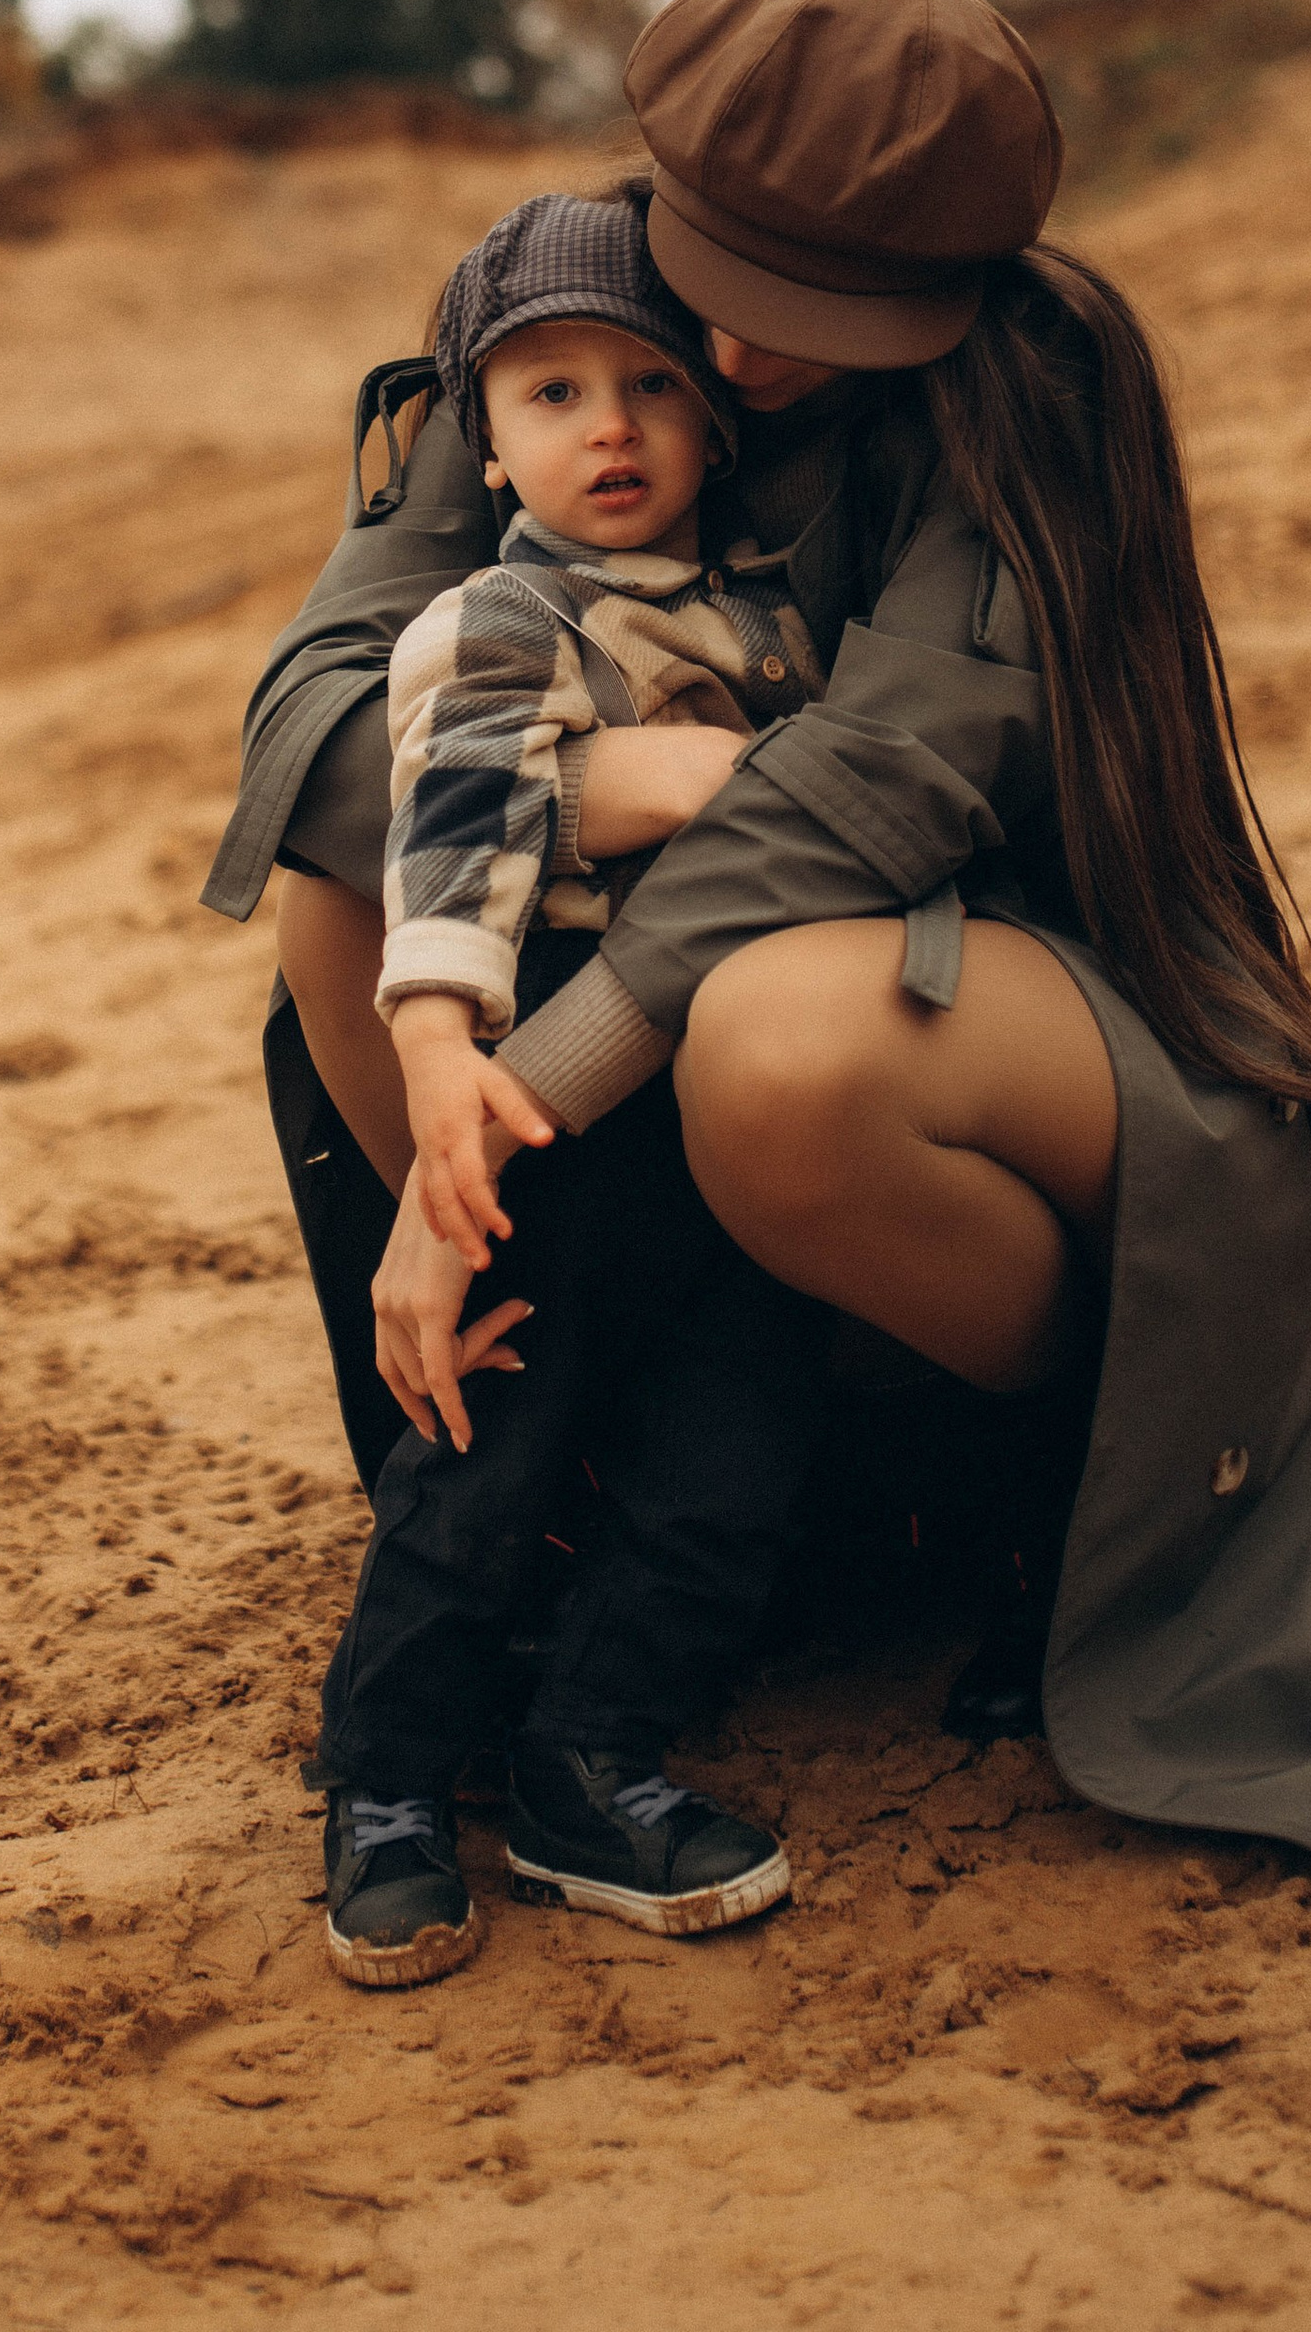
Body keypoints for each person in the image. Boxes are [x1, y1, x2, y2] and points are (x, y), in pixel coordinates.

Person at [207, 0, 1311, 1878]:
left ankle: (1028, 1497)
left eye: (823, 313)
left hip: (1034, 1035)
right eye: (731, 286)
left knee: (778, 1041)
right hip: (671, 1044)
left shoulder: (1027, 396)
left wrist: (509, 1105)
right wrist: (599, 789)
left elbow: (863, 800)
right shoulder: (573, 310)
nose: (733, 365)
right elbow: (312, 724)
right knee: (340, 905)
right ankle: (560, 1463)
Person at [314, 190, 827, 1988]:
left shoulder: (769, 615)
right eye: (553, 394)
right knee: (487, 1454)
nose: (610, 428)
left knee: (725, 1462)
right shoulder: (498, 617)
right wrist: (439, 1056)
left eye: (650, 384)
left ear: (717, 417)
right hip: (545, 1089)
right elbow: (452, 840)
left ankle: (590, 1761)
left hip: (723, 1101)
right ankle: (385, 1786)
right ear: (484, 438)